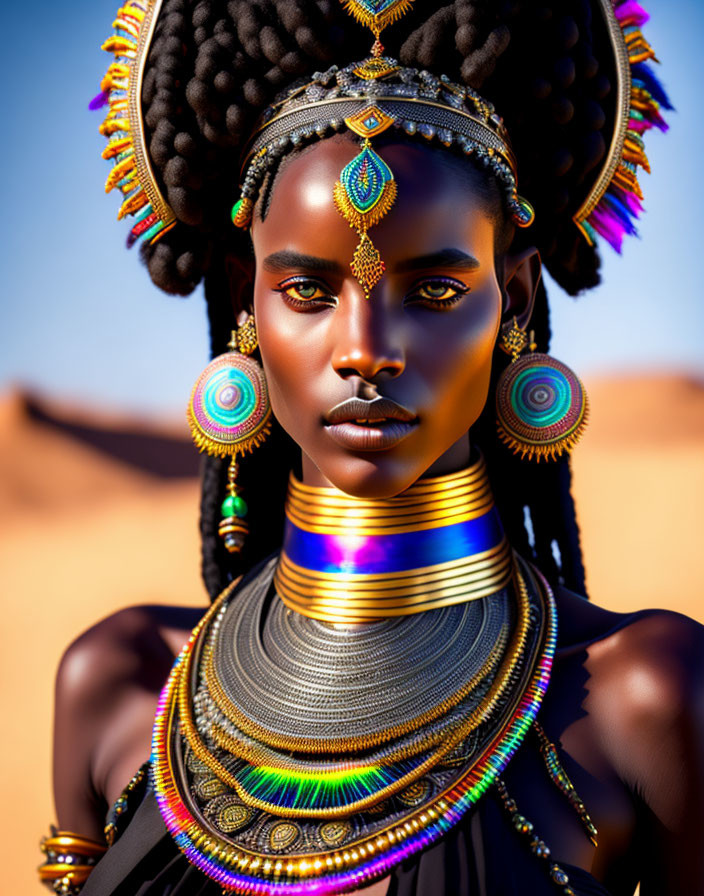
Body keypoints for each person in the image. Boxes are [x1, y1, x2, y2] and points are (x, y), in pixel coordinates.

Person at [39, 1, 704, 894]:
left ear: (511, 297)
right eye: (309, 289)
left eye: (433, 288)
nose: (365, 349)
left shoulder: (645, 700)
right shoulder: (121, 687)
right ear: (246, 300)